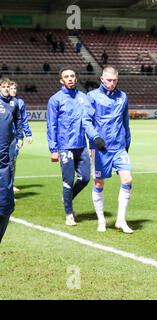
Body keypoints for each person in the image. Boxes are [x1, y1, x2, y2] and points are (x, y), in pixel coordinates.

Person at [82, 66, 133, 233]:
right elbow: (87, 121)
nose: (112, 83)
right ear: (102, 79)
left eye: (114, 80)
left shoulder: (123, 96)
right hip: (100, 148)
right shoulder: (92, 96)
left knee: (127, 179)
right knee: (98, 182)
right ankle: (101, 220)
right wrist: (95, 138)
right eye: (109, 80)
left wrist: (127, 141)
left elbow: (125, 121)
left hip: (119, 147)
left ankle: (120, 220)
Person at [46, 67, 91, 226]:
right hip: (65, 146)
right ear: (61, 80)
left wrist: (91, 145)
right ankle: (69, 213)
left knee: (85, 178)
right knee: (68, 180)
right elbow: (51, 125)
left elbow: (89, 123)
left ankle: (68, 196)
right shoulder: (55, 99)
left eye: (72, 76)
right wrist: (53, 149)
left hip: (81, 145)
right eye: (66, 76)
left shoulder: (83, 98)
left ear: (76, 79)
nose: (70, 78)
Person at [0, 77, 22, 243]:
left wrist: (20, 136)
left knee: (6, 207)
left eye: (8, 86)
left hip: (5, 158)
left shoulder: (13, 104)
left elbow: (18, 121)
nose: (7, 88)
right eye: (4, 86)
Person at [9, 81, 33, 193]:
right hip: (4, 136)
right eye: (11, 88)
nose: (13, 90)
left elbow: (24, 119)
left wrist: (28, 134)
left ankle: (10, 184)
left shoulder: (20, 102)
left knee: (13, 161)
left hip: (16, 137)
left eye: (15, 88)